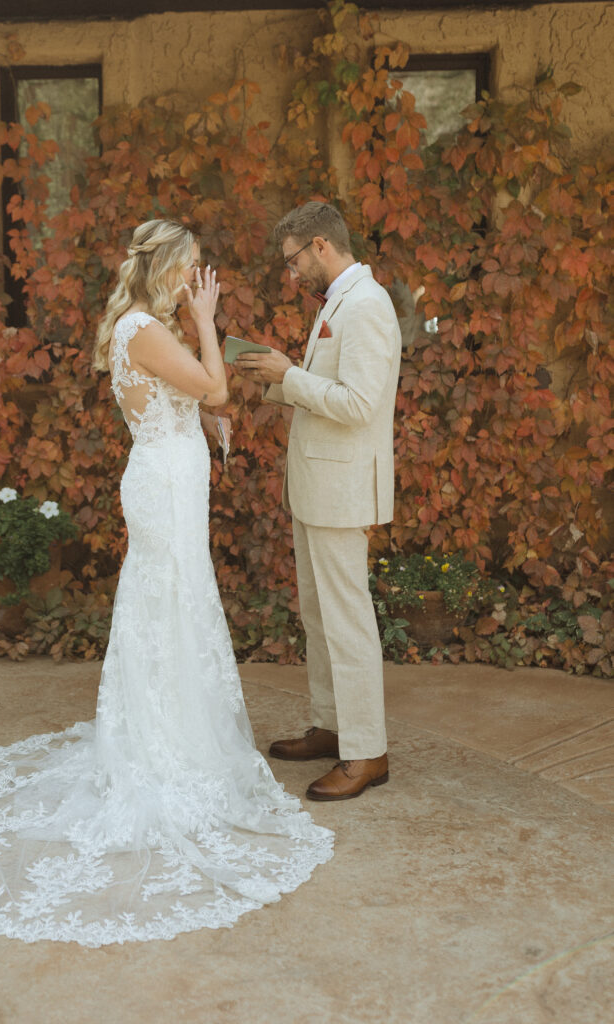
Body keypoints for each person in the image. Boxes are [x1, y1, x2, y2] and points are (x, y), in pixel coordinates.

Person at [0, 219, 332, 947]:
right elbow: (217, 386)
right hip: (164, 482)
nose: (202, 280)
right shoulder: (144, 326)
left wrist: (201, 412)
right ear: (167, 269)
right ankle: (161, 751)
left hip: (172, 474)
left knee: (173, 605)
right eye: (194, 269)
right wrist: (205, 323)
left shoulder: (141, 327)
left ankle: (177, 735)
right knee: (165, 604)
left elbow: (191, 400)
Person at [235, 201, 402, 802]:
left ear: (321, 247)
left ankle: (367, 753)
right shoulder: (337, 302)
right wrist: (275, 382)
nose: (292, 273)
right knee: (318, 615)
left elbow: (358, 404)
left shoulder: (366, 306)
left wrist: (288, 374)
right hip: (316, 486)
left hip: (342, 487)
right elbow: (325, 392)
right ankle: (333, 727)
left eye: (294, 260)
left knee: (348, 621)